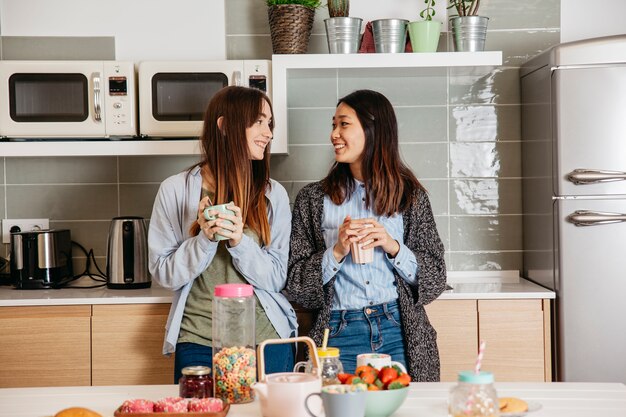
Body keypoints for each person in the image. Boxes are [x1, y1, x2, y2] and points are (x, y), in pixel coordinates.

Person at [285, 89, 446, 382]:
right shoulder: (311, 199)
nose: (334, 133)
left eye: (343, 124)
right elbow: (296, 286)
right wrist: (336, 251)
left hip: (399, 330)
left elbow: (435, 278)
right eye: (333, 125)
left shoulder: (410, 197)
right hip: (336, 334)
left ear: (373, 130)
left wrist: (393, 246)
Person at [148, 86, 297, 383]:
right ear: (225, 125)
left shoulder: (273, 195)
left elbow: (278, 277)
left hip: (266, 339)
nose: (268, 133)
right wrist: (204, 239)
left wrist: (239, 242)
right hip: (199, 338)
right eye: (259, 121)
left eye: (270, 124)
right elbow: (163, 273)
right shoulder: (175, 190)